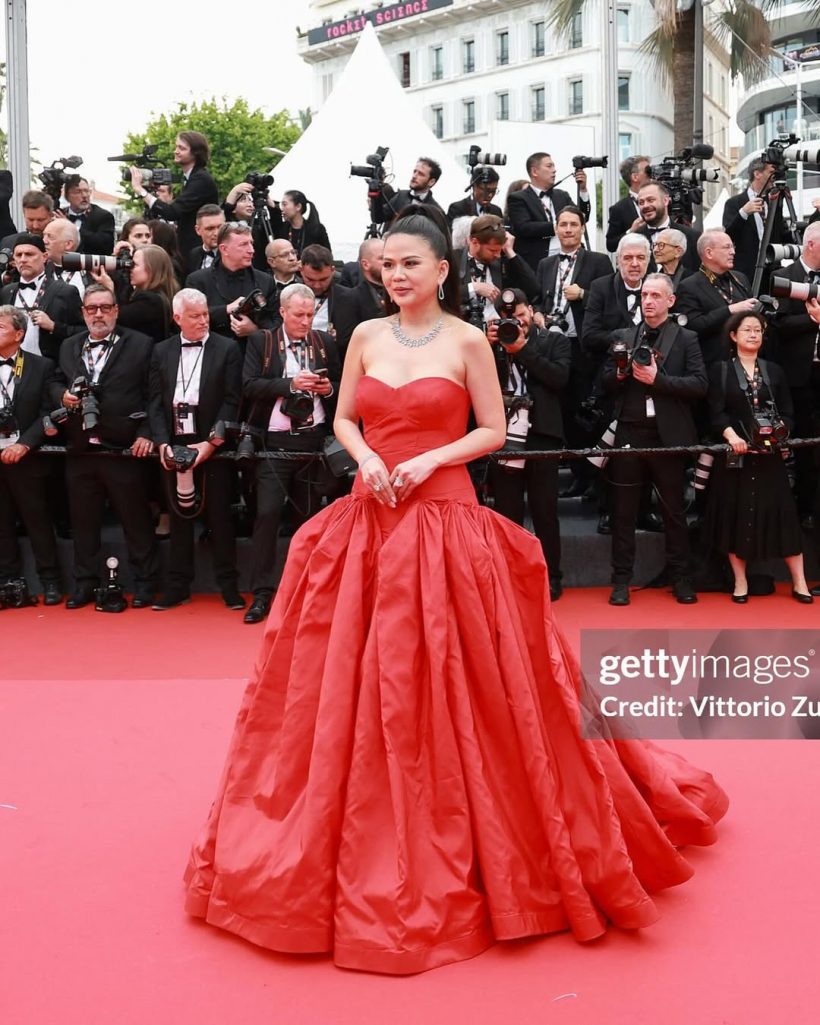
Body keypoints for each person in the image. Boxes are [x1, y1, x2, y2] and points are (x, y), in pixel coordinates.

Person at [183, 208, 728, 975]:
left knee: (472, 672)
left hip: (443, 513)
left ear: (443, 269)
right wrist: (369, 458)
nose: (398, 274)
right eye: (388, 264)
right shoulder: (364, 336)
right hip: (372, 515)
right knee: (350, 676)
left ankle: (477, 820)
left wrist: (428, 458)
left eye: (412, 263)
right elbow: (344, 418)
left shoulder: (469, 340)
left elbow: (493, 430)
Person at [51, 284, 159, 608]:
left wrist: (146, 433)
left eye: (105, 307)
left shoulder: (141, 344)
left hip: (123, 448)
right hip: (81, 447)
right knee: (83, 522)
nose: (98, 314)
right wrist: (61, 396)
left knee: (136, 520)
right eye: (92, 308)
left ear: (116, 310)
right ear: (83, 312)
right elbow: (54, 379)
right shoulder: (69, 345)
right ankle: (84, 583)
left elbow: (154, 395)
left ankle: (145, 583)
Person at [601, 274, 706, 606]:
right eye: (645, 295)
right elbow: (604, 382)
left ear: (670, 301)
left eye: (656, 296)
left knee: (673, 511)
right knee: (623, 512)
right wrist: (620, 373)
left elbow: (699, 385)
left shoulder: (687, 338)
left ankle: (681, 578)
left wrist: (658, 380)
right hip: (629, 433)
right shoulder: (623, 336)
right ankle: (621, 580)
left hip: (668, 436)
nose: (648, 301)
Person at [241, 283, 342, 624]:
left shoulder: (324, 342)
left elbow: (342, 386)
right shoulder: (263, 341)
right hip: (275, 443)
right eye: (299, 314)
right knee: (267, 514)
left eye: (310, 314)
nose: (305, 321)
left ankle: (306, 590)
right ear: (282, 312)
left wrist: (327, 389)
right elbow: (249, 386)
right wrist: (290, 385)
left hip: (313, 442)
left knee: (309, 519)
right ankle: (263, 592)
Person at [703, 311, 811, 603]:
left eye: (758, 330)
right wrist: (733, 437)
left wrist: (778, 434)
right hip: (735, 454)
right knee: (735, 516)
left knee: (784, 516)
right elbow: (716, 413)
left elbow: (788, 412)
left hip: (770, 456)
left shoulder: (774, 371)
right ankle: (740, 582)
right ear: (733, 335)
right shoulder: (720, 370)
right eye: (747, 329)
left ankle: (799, 581)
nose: (753, 334)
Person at [148, 288, 244, 611]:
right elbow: (154, 402)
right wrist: (162, 443)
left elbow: (233, 400)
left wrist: (211, 443)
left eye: (205, 314)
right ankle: (177, 587)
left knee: (220, 517)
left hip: (212, 441)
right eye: (195, 316)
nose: (204, 320)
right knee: (178, 518)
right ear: (177, 318)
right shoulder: (161, 351)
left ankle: (229, 586)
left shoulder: (227, 348)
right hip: (174, 440)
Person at [486, 287, 570, 600]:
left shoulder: (553, 341)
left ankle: (551, 576)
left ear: (531, 312)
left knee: (545, 509)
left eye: (521, 315)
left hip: (541, 433)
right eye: (509, 319)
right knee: (507, 510)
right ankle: (510, 577)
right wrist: (487, 347)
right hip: (502, 434)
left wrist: (522, 349)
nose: (517, 323)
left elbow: (558, 379)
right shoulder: (489, 345)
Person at [0, 306, 62, 604]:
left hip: (27, 456)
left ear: (19, 334)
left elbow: (49, 413)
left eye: (0, 327)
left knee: (37, 520)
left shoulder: (41, 367)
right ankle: (7, 582)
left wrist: (24, 444)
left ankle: (50, 581)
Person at [186, 223, 279, 343]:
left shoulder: (265, 281)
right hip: (214, 350)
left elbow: (277, 323)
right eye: (243, 244)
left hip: (253, 350)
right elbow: (190, 318)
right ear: (224, 249)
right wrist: (226, 310)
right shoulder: (198, 280)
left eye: (251, 243)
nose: (251, 250)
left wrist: (255, 331)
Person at [675, 230, 757, 366]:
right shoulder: (689, 286)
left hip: (746, 359)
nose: (733, 252)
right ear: (709, 253)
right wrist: (730, 310)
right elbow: (693, 326)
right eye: (727, 247)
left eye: (733, 247)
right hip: (714, 364)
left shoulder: (740, 278)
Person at [130, 131, 218, 257]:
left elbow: (172, 212)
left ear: (196, 153)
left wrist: (140, 190)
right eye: (176, 147)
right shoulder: (192, 177)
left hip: (197, 252)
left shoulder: (200, 179)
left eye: (182, 148)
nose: (176, 151)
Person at [0, 233, 83, 361]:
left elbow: (83, 332)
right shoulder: (6, 291)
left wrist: (54, 327)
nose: (23, 259)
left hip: (50, 367)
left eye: (29, 254)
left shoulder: (65, 291)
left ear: (44, 257)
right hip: (11, 365)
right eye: (19, 255)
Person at [507, 152, 591, 270]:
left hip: (568, 258)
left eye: (553, 166)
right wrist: (557, 227)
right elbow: (523, 227)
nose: (554, 170)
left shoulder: (562, 195)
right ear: (534, 171)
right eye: (549, 166)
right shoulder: (518, 198)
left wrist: (582, 189)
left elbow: (582, 217)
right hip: (536, 262)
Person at [455, 214, 537, 328]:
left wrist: (509, 251)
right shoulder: (453, 260)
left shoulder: (502, 262)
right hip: (464, 329)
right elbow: (440, 295)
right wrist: (473, 288)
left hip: (499, 331)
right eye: (492, 250)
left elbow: (534, 289)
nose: (498, 255)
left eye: (500, 250)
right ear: (474, 242)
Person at [90, 244, 177, 343]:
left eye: (134, 265)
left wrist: (109, 289)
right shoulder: (151, 296)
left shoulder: (151, 301)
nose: (129, 269)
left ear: (151, 269)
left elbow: (116, 317)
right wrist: (115, 259)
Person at [722, 158, 786, 284]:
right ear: (757, 174)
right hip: (746, 274)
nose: (774, 177)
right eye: (771, 172)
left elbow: (782, 234)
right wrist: (743, 213)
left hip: (772, 273)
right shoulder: (734, 203)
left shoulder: (774, 202)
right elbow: (728, 235)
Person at [333, 238, 386, 355]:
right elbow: (346, 343)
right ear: (365, 264)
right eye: (382, 258)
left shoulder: (398, 293)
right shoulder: (349, 298)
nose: (387, 262)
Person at [635, 182, 700, 273]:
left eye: (650, 200)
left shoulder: (692, 237)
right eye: (641, 202)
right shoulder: (633, 239)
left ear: (665, 201)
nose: (645, 205)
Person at [606, 155, 650, 254]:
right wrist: (631, 231)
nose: (652, 175)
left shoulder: (662, 200)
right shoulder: (619, 209)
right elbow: (611, 245)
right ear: (635, 177)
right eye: (648, 171)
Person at [59, 177, 115, 255]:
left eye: (86, 191)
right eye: (78, 192)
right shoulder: (60, 214)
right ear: (67, 196)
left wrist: (72, 228)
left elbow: (106, 246)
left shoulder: (103, 216)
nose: (84, 195)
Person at [272, 189, 331, 257]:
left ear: (298, 207)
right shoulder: (282, 228)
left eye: (284, 204)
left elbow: (327, 256)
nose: (282, 208)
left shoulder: (317, 229)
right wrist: (273, 207)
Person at [187, 204, 225, 275]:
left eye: (220, 227)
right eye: (210, 229)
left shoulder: (232, 255)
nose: (216, 233)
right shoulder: (194, 255)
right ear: (198, 230)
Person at [652, 227, 691, 292]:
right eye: (655, 245)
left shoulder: (690, 281)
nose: (655, 250)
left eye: (661, 245)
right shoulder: (652, 281)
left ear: (678, 251)